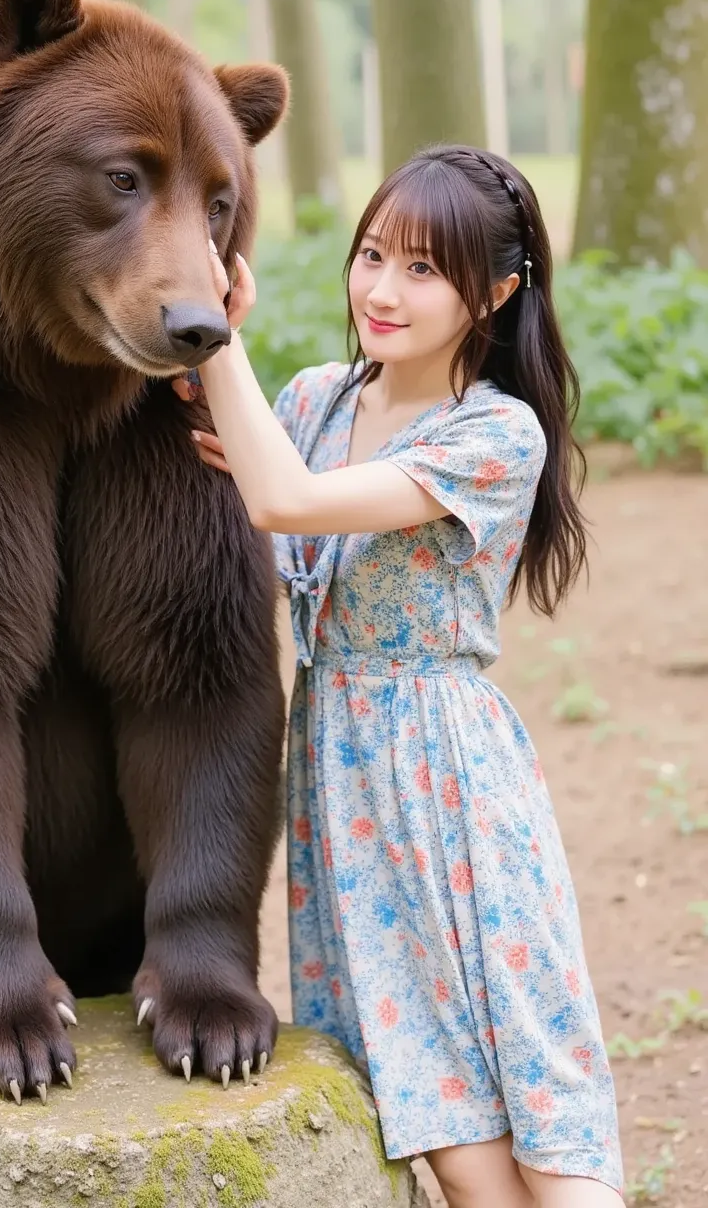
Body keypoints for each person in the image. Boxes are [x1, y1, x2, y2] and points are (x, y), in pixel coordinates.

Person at [174, 145, 623, 1206]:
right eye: (372, 255)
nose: (381, 289)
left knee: (537, 1120)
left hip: (448, 786)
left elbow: (282, 502)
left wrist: (217, 328)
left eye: (424, 269)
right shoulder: (316, 403)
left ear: (497, 290)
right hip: (342, 781)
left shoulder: (493, 434)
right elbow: (243, 469)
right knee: (445, 1130)